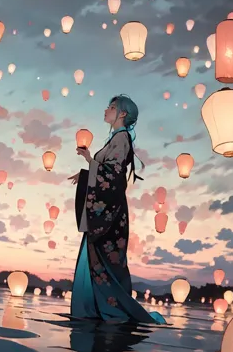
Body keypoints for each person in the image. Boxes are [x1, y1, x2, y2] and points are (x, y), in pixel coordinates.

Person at [69, 95, 165, 324]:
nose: (106, 110)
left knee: (108, 262)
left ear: (122, 114)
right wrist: (87, 170)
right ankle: (105, 310)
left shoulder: (121, 139)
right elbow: (107, 171)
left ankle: (115, 312)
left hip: (109, 213)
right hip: (108, 210)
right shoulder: (116, 139)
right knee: (103, 262)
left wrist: (90, 167)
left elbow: (112, 176)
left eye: (111, 107)